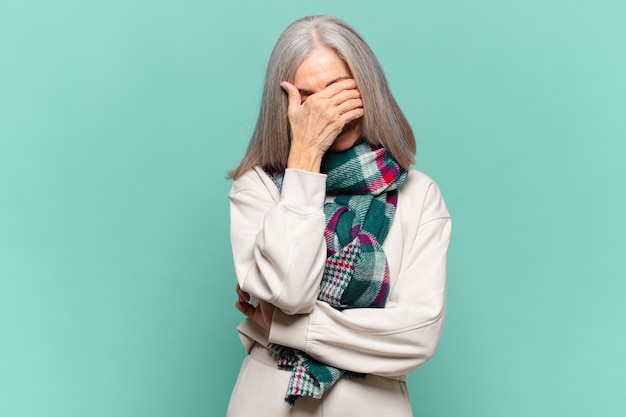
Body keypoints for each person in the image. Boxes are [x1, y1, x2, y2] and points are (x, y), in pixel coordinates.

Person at [226, 15, 451, 417]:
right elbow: (291, 291)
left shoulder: (420, 195)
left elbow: (417, 335)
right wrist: (305, 159)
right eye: (308, 97)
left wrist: (282, 327)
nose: (327, 111)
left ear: (367, 88)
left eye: (337, 90)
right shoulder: (256, 189)